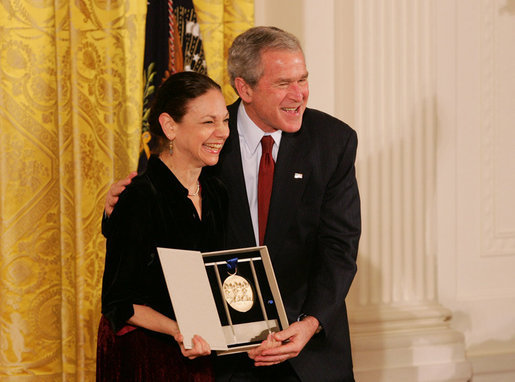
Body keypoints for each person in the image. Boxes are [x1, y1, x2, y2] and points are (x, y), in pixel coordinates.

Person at [104, 26, 361, 382]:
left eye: (302, 79)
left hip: (311, 355)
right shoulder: (203, 136)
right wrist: (116, 208)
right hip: (225, 361)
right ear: (245, 88)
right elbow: (162, 220)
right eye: (283, 83)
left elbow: (339, 248)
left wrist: (310, 324)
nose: (298, 94)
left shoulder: (334, 141)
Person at [96, 71, 230, 381]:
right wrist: (178, 330)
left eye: (224, 120)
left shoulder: (217, 193)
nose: (222, 132)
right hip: (145, 356)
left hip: (200, 351)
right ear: (170, 126)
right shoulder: (138, 196)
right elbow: (118, 302)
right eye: (208, 122)